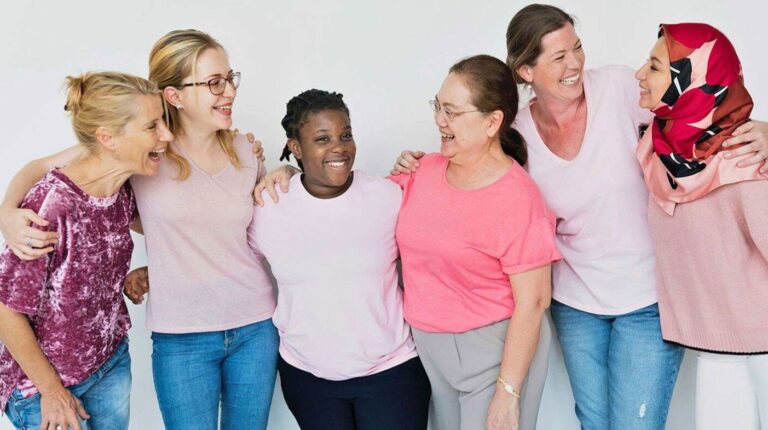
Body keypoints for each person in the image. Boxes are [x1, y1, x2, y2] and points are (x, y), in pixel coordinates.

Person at [391, 5, 768, 430]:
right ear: (526, 71)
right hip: (575, 304)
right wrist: (413, 165)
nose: (574, 64)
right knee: (593, 421)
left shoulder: (621, 89)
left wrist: (765, 128)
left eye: (577, 48)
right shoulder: (516, 131)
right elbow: (476, 172)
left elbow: (695, 110)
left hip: (647, 299)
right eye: (558, 57)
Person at [0, 30, 278, 430]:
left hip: (245, 327)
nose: (229, 91)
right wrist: (7, 211)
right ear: (175, 96)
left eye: (230, 78)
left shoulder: (235, 151)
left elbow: (221, 232)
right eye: (213, 82)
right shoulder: (138, 154)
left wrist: (285, 170)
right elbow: (43, 169)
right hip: (175, 339)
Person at [0, 71, 172, 430]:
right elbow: (6, 312)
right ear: (107, 137)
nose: (166, 136)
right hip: (45, 387)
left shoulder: (122, 188)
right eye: (152, 126)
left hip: (109, 362)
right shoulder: (52, 205)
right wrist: (52, 391)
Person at [249, 89, 430, 430]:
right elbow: (225, 260)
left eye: (345, 134)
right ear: (296, 148)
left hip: (392, 372)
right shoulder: (268, 208)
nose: (339, 147)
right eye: (322, 138)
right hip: (308, 377)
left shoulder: (387, 197)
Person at [635, 22, 768, 430]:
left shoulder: (744, 159)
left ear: (693, 80)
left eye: (655, 67)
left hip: (758, 348)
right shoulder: (658, 147)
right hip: (712, 344)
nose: (640, 73)